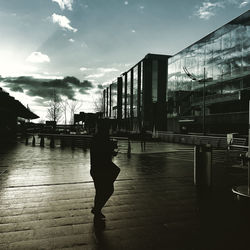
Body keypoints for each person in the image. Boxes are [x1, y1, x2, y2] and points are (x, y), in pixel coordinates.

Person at [90, 120, 120, 219]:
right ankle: (97, 209)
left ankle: (97, 209)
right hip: (101, 169)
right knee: (106, 190)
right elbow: (103, 154)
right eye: (109, 128)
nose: (111, 129)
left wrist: (110, 149)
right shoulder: (102, 139)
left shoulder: (97, 138)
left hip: (97, 168)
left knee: (100, 191)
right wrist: (111, 149)